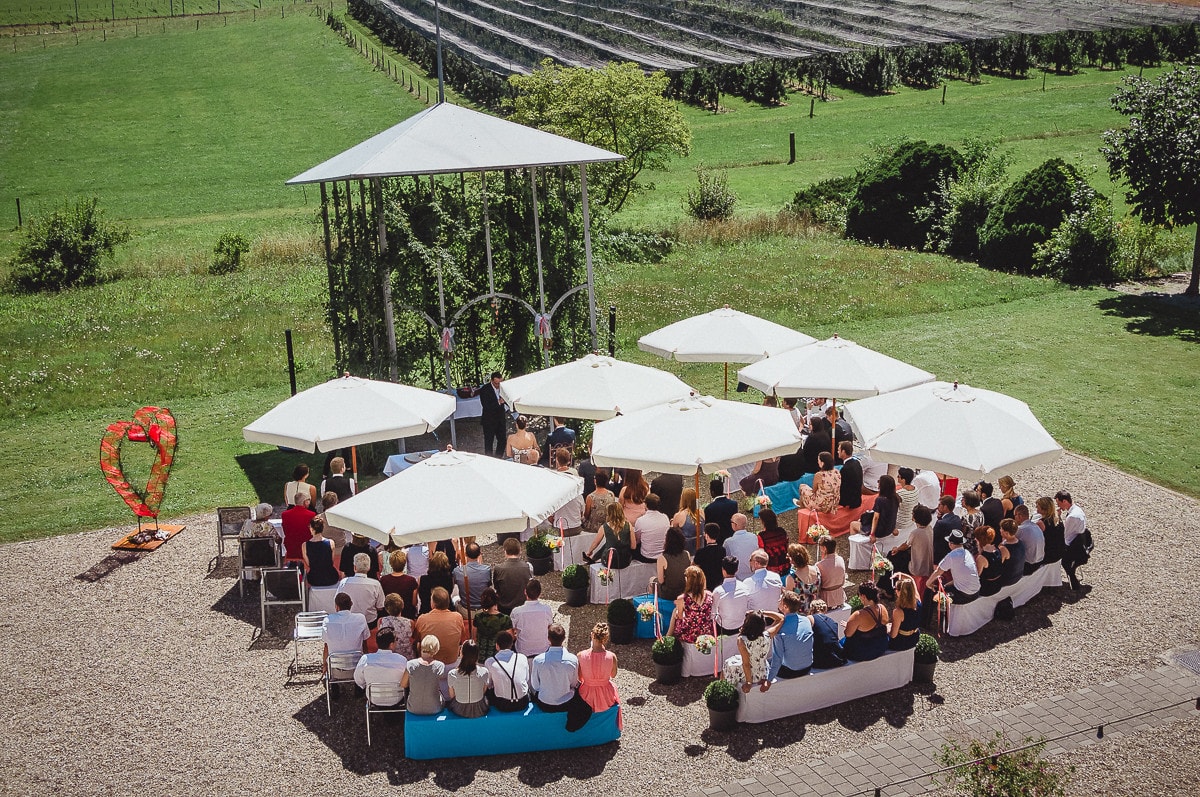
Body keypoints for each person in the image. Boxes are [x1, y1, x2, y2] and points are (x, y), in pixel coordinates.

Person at [920, 529, 981, 627]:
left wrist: (928, 583)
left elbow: (938, 571)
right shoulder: (967, 554)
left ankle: (925, 623)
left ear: (951, 544)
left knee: (930, 591)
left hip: (964, 595)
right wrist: (945, 585)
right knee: (942, 585)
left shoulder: (952, 556)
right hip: (975, 591)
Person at [722, 610, 775, 693]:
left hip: (752, 676)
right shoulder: (768, 635)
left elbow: (746, 664)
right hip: (763, 672)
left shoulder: (742, 640)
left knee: (727, 663)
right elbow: (781, 619)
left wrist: (749, 682)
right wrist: (762, 612)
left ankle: (723, 690)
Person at [531, 624, 580, 712]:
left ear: (548, 639)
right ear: (564, 638)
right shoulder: (573, 659)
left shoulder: (538, 660)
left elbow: (535, 686)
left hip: (544, 703)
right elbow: (573, 684)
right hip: (566, 703)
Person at [766, 591, 815, 680]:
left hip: (790, 671)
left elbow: (777, 657)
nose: (778, 601)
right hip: (808, 666)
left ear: (785, 607)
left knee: (768, 662)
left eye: (780, 601)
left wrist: (769, 680)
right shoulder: (806, 620)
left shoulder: (780, 628)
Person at [413, 587, 466, 666]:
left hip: (430, 664)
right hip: (452, 661)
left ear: (433, 603)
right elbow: (462, 637)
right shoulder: (457, 617)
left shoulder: (422, 619)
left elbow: (416, 639)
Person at [577, 622, 620, 717]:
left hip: (586, 696)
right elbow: (613, 675)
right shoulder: (612, 656)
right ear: (606, 638)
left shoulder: (580, 655)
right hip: (606, 697)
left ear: (592, 635)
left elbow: (580, 678)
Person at [354, 628, 407, 705]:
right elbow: (406, 680)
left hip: (374, 698)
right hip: (396, 698)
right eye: (396, 640)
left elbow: (358, 679)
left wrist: (365, 685)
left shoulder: (365, 659)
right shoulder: (402, 660)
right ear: (391, 644)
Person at [840, 581, 890, 662]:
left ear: (863, 596)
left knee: (841, 643)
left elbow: (848, 634)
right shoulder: (882, 608)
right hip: (881, 646)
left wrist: (850, 626)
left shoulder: (858, 615)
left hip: (864, 652)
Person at [484, 630, 530, 712]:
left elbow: (489, 684)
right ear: (511, 644)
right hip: (523, 702)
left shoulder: (490, 662)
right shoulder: (522, 658)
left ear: (497, 646)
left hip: (503, 704)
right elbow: (526, 679)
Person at [336, 552, 386, 627]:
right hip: (370, 622)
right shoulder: (376, 584)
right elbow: (380, 606)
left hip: (350, 621)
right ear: (369, 568)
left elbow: (337, 602)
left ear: (355, 567)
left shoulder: (344, 582)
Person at [666, 565, 715, 643]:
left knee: (675, 611)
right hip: (706, 632)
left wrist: (677, 610)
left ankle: (668, 637)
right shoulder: (709, 595)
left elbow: (680, 617)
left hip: (690, 634)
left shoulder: (682, 598)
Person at [401, 635, 446, 716]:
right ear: (436, 649)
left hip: (413, 708)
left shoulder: (410, 664)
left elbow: (403, 684)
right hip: (435, 708)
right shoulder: (440, 666)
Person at [582, 502, 634, 568]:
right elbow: (633, 546)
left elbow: (596, 543)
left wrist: (589, 551)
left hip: (610, 561)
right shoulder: (629, 525)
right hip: (625, 561)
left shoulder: (604, 527)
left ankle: (591, 558)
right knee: (610, 544)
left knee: (608, 545)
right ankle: (593, 559)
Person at [852, 474, 899, 548]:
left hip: (880, 531)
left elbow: (876, 518)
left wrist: (872, 534)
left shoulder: (880, 500)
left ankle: (853, 549)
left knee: (853, 524)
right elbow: (893, 513)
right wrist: (893, 527)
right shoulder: (895, 498)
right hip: (890, 528)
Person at [447, 640, 491, 718]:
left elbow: (452, 696)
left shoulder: (452, 674)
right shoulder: (484, 671)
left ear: (461, 653)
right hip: (479, 708)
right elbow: (483, 691)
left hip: (459, 709)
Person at [510, 579, 553, 657]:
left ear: (525, 592)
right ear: (540, 594)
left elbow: (511, 631)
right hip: (543, 649)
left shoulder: (516, 612)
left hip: (522, 650)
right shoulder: (546, 610)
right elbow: (549, 627)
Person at [492, 537, 534, 614]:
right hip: (523, 607)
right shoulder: (528, 567)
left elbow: (496, 587)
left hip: (504, 608)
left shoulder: (498, 569)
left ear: (505, 551)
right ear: (520, 551)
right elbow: (530, 587)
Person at [1057, 490, 1089, 591]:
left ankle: (1069, 576)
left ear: (1065, 501)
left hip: (1073, 545)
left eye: (1059, 503)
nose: (1058, 506)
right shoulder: (1078, 510)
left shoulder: (1071, 517)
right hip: (1081, 540)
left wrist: (1058, 518)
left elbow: (1065, 535)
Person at [323, 592, 369, 659]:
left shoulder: (327, 620)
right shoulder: (361, 618)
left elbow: (326, 645)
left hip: (335, 663)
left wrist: (324, 665)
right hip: (356, 662)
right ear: (351, 604)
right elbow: (364, 643)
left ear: (337, 606)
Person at [713, 556, 752, 634]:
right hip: (741, 624)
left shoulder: (718, 591)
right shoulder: (745, 587)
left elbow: (713, 613)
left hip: (724, 627)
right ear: (737, 570)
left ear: (723, 570)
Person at [472, 587, 512, 661]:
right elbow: (510, 638)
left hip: (481, 656)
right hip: (498, 657)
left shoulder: (478, 617)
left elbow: (474, 637)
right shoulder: (505, 618)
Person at [452, 542, 493, 613]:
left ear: (465, 554)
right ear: (479, 554)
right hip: (482, 609)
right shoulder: (486, 570)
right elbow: (489, 585)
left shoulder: (458, 571)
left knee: (454, 599)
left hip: (466, 610)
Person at [379, 550, 418, 621]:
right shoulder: (411, 580)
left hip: (387, 614)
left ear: (391, 564)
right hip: (407, 615)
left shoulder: (383, 580)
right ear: (404, 563)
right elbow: (414, 602)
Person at [302, 515, 340, 587]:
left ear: (312, 529)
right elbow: (331, 561)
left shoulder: (305, 545)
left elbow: (309, 564)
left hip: (314, 579)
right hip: (331, 577)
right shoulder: (331, 542)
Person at [654, 526, 691, 601]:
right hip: (683, 591)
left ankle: (655, 606)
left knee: (652, 580)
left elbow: (661, 581)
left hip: (669, 594)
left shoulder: (662, 558)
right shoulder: (687, 554)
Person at [280, 491, 316, 567]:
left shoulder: (285, 515)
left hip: (291, 548)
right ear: (305, 502)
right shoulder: (311, 515)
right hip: (307, 549)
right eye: (308, 500)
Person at [784, 543, 821, 613]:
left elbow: (789, 599)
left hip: (800, 614)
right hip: (815, 610)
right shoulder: (817, 570)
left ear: (792, 560)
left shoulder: (792, 578)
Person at [633, 493, 670, 562]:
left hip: (647, 556)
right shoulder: (665, 517)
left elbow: (637, 539)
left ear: (646, 505)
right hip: (662, 555)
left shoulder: (641, 520)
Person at [888, 574, 921, 651]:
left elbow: (893, 635)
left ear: (899, 592)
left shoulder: (898, 612)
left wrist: (888, 629)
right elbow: (912, 580)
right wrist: (901, 574)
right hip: (915, 636)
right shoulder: (918, 601)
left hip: (902, 642)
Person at [479, 371, 508, 458]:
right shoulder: (484, 390)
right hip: (489, 420)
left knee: (502, 440)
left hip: (500, 419)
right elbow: (486, 405)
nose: (498, 385)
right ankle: (489, 460)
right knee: (489, 442)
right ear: (491, 381)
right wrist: (498, 402)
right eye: (496, 383)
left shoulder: (503, 388)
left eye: (500, 383)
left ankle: (498, 458)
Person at [809, 600, 845, 669]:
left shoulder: (811, 618)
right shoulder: (832, 622)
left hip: (820, 661)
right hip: (837, 658)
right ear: (825, 609)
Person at [377, 593, 415, 658]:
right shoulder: (410, 622)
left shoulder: (381, 621)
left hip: (389, 657)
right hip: (406, 656)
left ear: (386, 608)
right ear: (402, 606)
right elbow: (413, 637)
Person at [417, 550, 454, 616]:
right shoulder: (449, 579)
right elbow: (450, 592)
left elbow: (420, 597)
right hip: (446, 611)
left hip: (426, 611)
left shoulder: (422, 579)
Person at [693, 523, 726, 595]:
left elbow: (695, 567)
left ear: (706, 535)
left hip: (705, 584)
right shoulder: (722, 550)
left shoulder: (701, 552)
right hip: (718, 582)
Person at [815, 535, 847, 608]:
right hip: (840, 596)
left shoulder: (819, 565)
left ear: (824, 548)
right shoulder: (840, 559)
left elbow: (817, 585)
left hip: (825, 599)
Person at [724, 513, 758, 579]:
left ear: (735, 525)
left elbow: (727, 560)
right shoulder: (753, 537)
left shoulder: (729, 542)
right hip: (753, 573)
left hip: (737, 576)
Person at [703, 479, 738, 543]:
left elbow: (708, 528)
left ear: (712, 492)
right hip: (731, 538)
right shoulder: (733, 504)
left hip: (717, 541)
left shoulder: (709, 508)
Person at [671, 487, 704, 554]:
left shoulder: (679, 515)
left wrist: (671, 522)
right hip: (701, 550)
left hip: (686, 552)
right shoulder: (701, 513)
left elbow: (673, 533)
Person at [756, 508, 790, 574]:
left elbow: (761, 553)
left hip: (771, 569)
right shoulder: (782, 531)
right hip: (786, 565)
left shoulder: (762, 536)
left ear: (763, 522)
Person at [974, 526, 1005, 596]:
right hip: (998, 583)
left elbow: (976, 575)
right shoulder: (997, 548)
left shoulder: (981, 558)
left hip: (987, 588)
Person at [1015, 504, 1045, 574]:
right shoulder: (1036, 526)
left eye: (1015, 516)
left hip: (1029, 565)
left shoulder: (1021, 529)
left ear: (1019, 516)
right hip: (1040, 560)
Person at [933, 495, 963, 563]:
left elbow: (933, 537)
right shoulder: (957, 518)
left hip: (940, 556)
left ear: (945, 507)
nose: (938, 507)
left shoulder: (941, 523)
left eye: (940, 505)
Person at [1037, 495, 1065, 565]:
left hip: (1048, 555)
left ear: (1044, 509)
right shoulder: (1057, 519)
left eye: (1038, 507)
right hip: (1060, 552)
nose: (1036, 508)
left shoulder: (1041, 523)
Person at [997, 519, 1026, 586]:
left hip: (1008, 579)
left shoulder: (1004, 549)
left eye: (1001, 529)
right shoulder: (1020, 542)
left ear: (1007, 533)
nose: (1000, 530)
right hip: (1019, 574)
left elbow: (997, 566)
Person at [836, 441, 863, 509]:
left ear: (843, 452)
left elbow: (843, 488)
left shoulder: (845, 469)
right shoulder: (857, 463)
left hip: (848, 501)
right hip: (857, 499)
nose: (837, 452)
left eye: (839, 450)